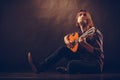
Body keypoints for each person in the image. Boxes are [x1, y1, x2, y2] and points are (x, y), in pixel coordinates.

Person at [27, 9, 104, 74]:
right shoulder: (79, 35)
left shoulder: (94, 32)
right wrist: (68, 42)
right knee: (63, 49)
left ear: (89, 19)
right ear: (77, 20)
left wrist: (84, 44)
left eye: (85, 14)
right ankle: (40, 67)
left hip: (94, 64)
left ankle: (69, 70)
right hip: (83, 60)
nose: (82, 16)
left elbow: (99, 52)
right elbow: (66, 37)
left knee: (71, 64)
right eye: (80, 15)